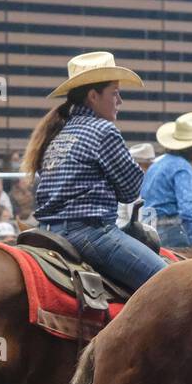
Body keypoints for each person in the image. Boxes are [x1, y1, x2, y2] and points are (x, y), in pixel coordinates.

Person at [25, 50, 168, 291]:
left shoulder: (59, 132)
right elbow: (130, 191)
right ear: (93, 95)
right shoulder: (103, 130)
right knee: (171, 282)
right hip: (90, 234)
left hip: (47, 233)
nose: (119, 101)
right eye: (114, 93)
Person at [141, 112, 192, 248]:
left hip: (146, 231)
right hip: (170, 232)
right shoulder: (183, 168)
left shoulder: (157, 164)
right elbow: (187, 211)